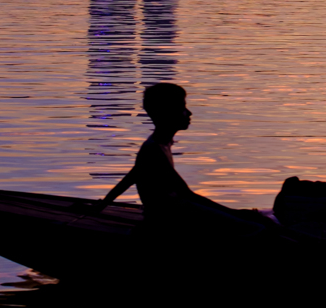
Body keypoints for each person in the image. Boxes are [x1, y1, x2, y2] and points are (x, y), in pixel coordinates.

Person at [88, 82, 266, 232]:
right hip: (169, 217)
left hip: (176, 210)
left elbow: (132, 176)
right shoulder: (154, 150)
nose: (189, 114)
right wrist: (234, 213)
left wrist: (104, 203)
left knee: (251, 221)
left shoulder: (159, 143)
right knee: (253, 227)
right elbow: (186, 194)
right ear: (167, 113)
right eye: (182, 108)